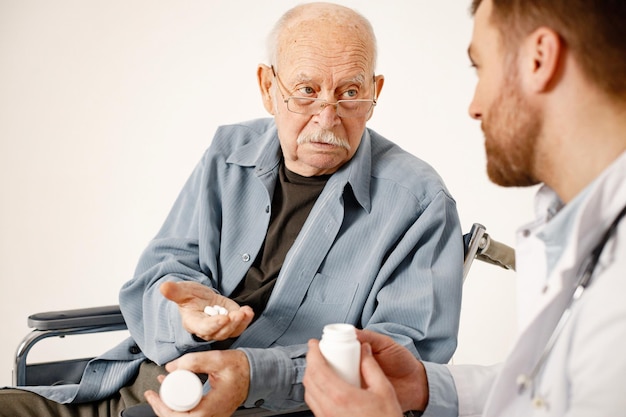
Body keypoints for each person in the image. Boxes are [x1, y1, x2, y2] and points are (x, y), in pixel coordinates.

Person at [0, 3, 464, 416]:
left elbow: (401, 365)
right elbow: (159, 274)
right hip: (143, 385)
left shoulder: (419, 203)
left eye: (348, 92)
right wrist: (189, 319)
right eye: (306, 90)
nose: (327, 117)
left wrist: (252, 374)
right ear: (268, 87)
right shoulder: (229, 153)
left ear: (374, 92)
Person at [303, 0, 626, 415]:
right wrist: (426, 385)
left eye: (481, 68)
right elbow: (551, 393)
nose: (474, 106)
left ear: (540, 59)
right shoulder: (586, 223)